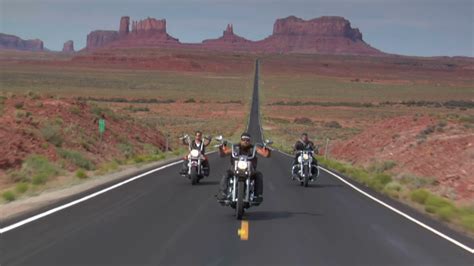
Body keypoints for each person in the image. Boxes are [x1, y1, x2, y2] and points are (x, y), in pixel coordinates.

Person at [216, 132, 271, 204]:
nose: (245, 141)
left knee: (259, 175)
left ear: (250, 141)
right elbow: (223, 154)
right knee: (226, 174)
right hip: (235, 168)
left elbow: (265, 155)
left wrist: (268, 149)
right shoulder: (235, 147)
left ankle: (258, 195)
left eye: (247, 140)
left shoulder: (253, 148)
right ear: (241, 140)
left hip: (250, 169)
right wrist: (220, 148)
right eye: (243, 139)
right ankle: (223, 193)